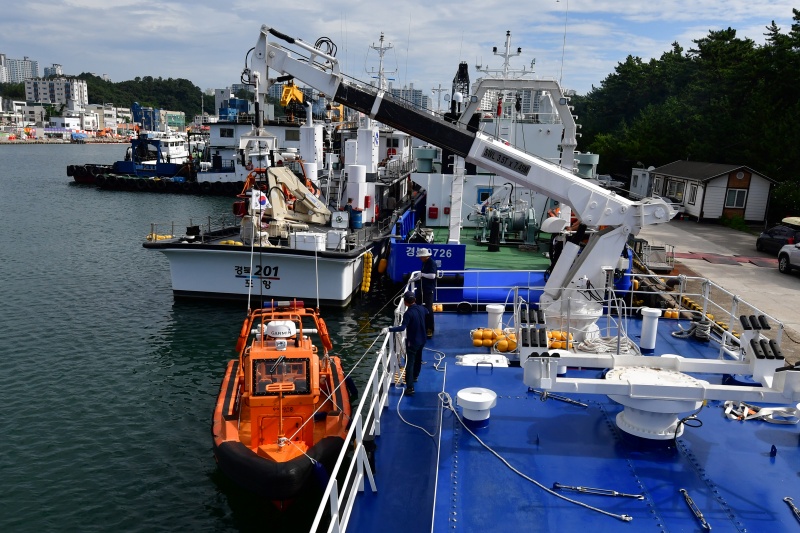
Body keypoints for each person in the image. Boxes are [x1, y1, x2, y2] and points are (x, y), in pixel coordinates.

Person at [383, 291, 428, 396]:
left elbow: (402, 327)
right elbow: (427, 312)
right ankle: (415, 376)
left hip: (413, 342)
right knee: (418, 359)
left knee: (410, 363)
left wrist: (389, 329)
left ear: (405, 303)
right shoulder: (422, 308)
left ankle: (410, 387)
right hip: (422, 340)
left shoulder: (408, 313)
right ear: (415, 300)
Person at [412, 248, 437, 338]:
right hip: (422, 288)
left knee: (428, 309)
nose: (420, 258)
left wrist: (422, 275)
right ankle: (420, 326)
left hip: (428, 289)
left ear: (425, 256)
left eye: (421, 257)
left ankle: (430, 328)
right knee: (418, 306)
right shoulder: (424, 263)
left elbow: (432, 276)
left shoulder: (431, 263)